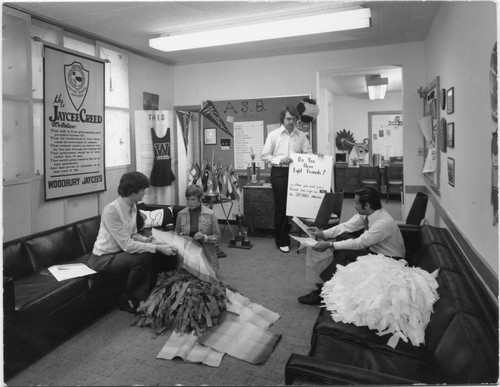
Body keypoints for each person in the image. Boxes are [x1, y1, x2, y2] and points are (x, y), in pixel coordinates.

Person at [298, 187, 406, 305]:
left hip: (390, 260)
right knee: (342, 237)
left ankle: (323, 289)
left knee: (347, 251)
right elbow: (346, 226)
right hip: (375, 252)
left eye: (356, 203)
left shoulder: (383, 222)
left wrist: (329, 244)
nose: (354, 205)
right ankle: (333, 283)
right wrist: (323, 233)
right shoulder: (369, 214)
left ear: (367, 205)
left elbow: (359, 244)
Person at [89, 172, 178, 314]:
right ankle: (129, 299)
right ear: (133, 191)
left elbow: (133, 234)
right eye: (143, 189)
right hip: (102, 258)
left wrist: (147, 240)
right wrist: (157, 248)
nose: (144, 193)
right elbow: (127, 245)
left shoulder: (133, 206)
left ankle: (150, 292)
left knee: (152, 253)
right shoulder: (111, 211)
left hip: (120, 253)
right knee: (145, 256)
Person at [261, 105, 312, 253]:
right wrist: (279, 161)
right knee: (282, 207)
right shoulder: (274, 135)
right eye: (288, 118)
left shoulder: (301, 135)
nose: (291, 121)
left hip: (297, 173)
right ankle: (282, 240)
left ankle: (301, 236)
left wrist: (318, 158)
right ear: (282, 119)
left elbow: (308, 153)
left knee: (298, 205)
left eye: (294, 118)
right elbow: (265, 156)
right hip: (279, 172)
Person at [174, 184, 222, 272]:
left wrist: (205, 237)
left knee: (208, 280)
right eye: (187, 199)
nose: (189, 202)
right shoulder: (181, 214)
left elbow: (218, 236)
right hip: (188, 253)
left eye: (193, 199)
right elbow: (175, 234)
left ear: (200, 199)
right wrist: (180, 238)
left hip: (206, 252)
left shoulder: (210, 214)